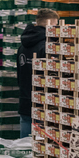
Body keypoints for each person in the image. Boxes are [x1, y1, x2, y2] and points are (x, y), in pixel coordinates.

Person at [17, 9, 58, 138]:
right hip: (43, 101)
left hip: (25, 98)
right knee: (40, 143)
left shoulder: (22, 46)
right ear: (51, 24)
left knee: (24, 143)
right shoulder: (47, 46)